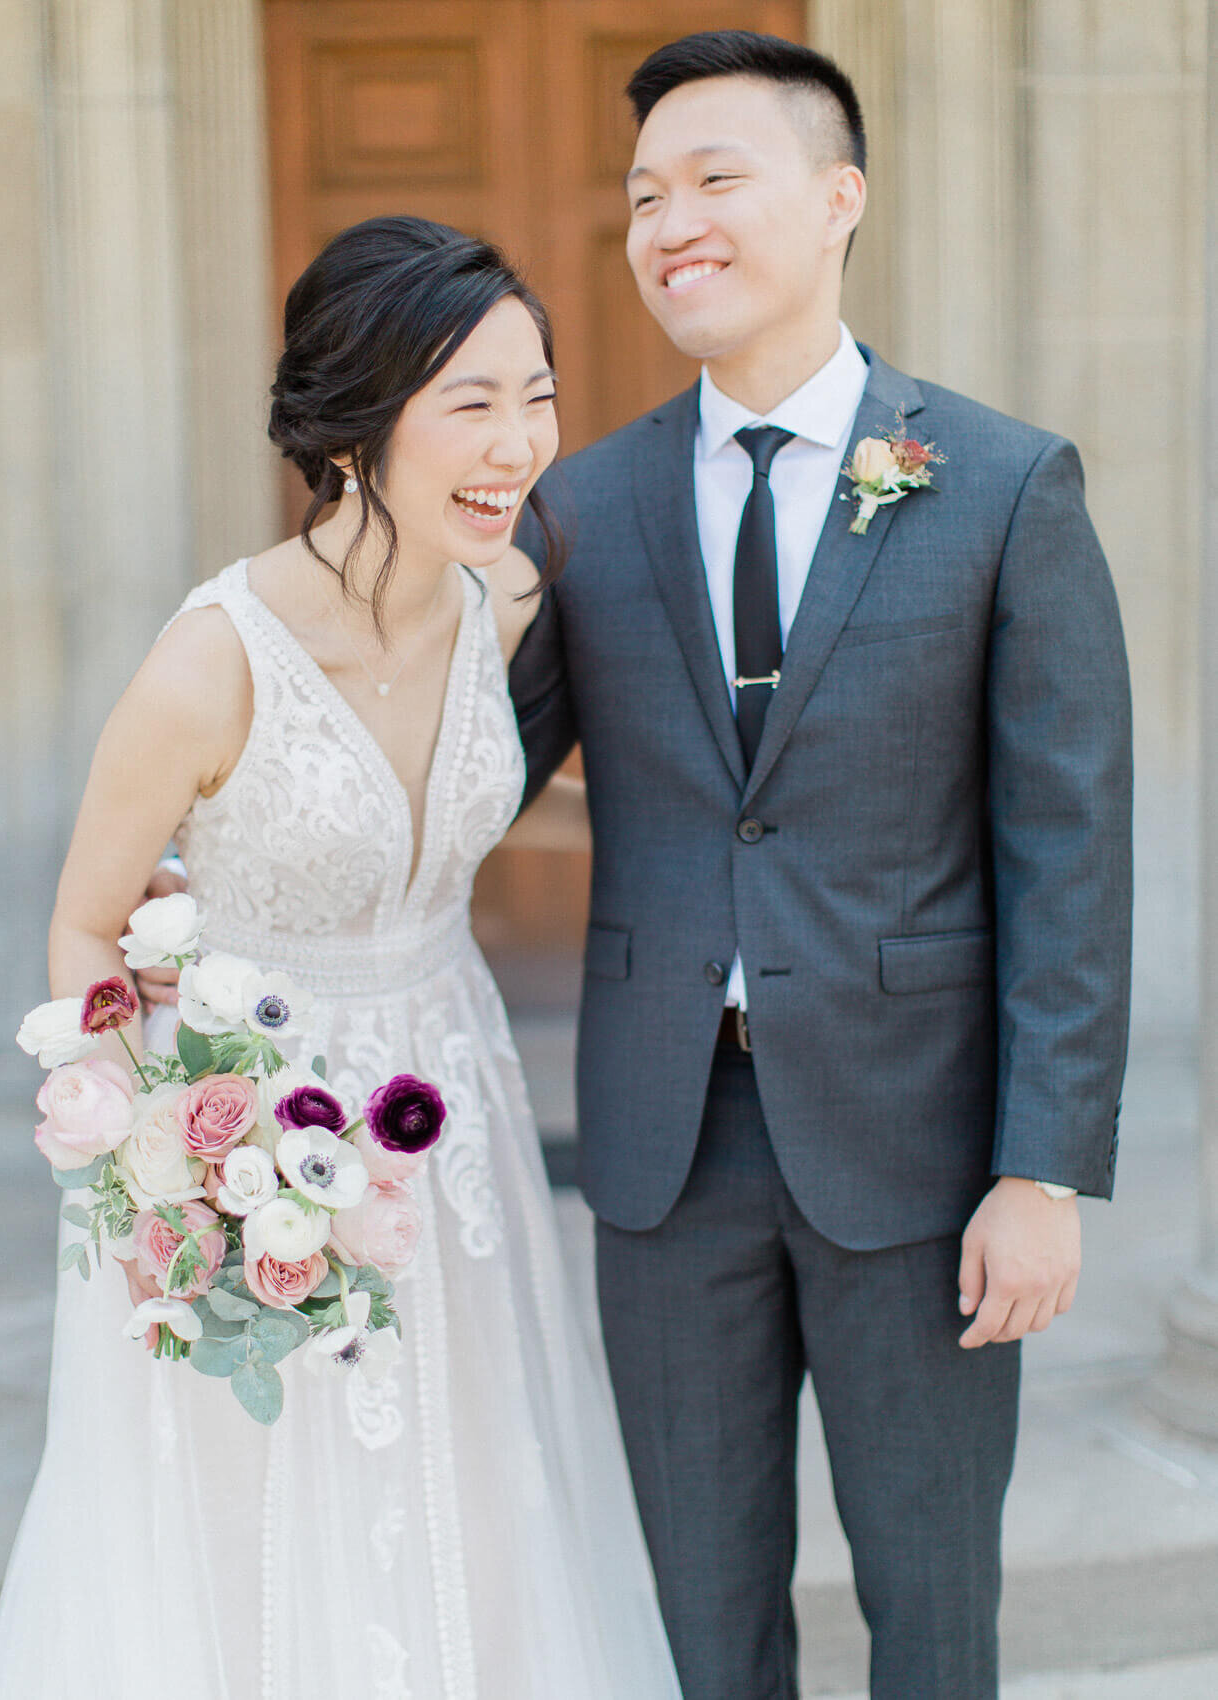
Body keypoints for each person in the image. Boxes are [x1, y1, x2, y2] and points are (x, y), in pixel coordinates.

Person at [502, 31, 1132, 1700]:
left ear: (838, 197)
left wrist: (1044, 1169)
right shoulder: (578, 506)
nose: (668, 223)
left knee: (935, 1621)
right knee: (705, 1627)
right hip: (661, 1152)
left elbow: (1068, 845)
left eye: (715, 179)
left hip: (920, 1156)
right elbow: (470, 783)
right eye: (644, 196)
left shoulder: (1002, 484)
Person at [0, 217, 682, 1700]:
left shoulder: (502, 597)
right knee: (264, 1515)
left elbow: (488, 800)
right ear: (360, 425)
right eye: (470, 402)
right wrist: (154, 1172)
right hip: (253, 1145)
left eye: (536, 394)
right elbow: (85, 920)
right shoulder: (211, 660)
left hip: (453, 1110)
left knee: (474, 1484)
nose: (520, 442)